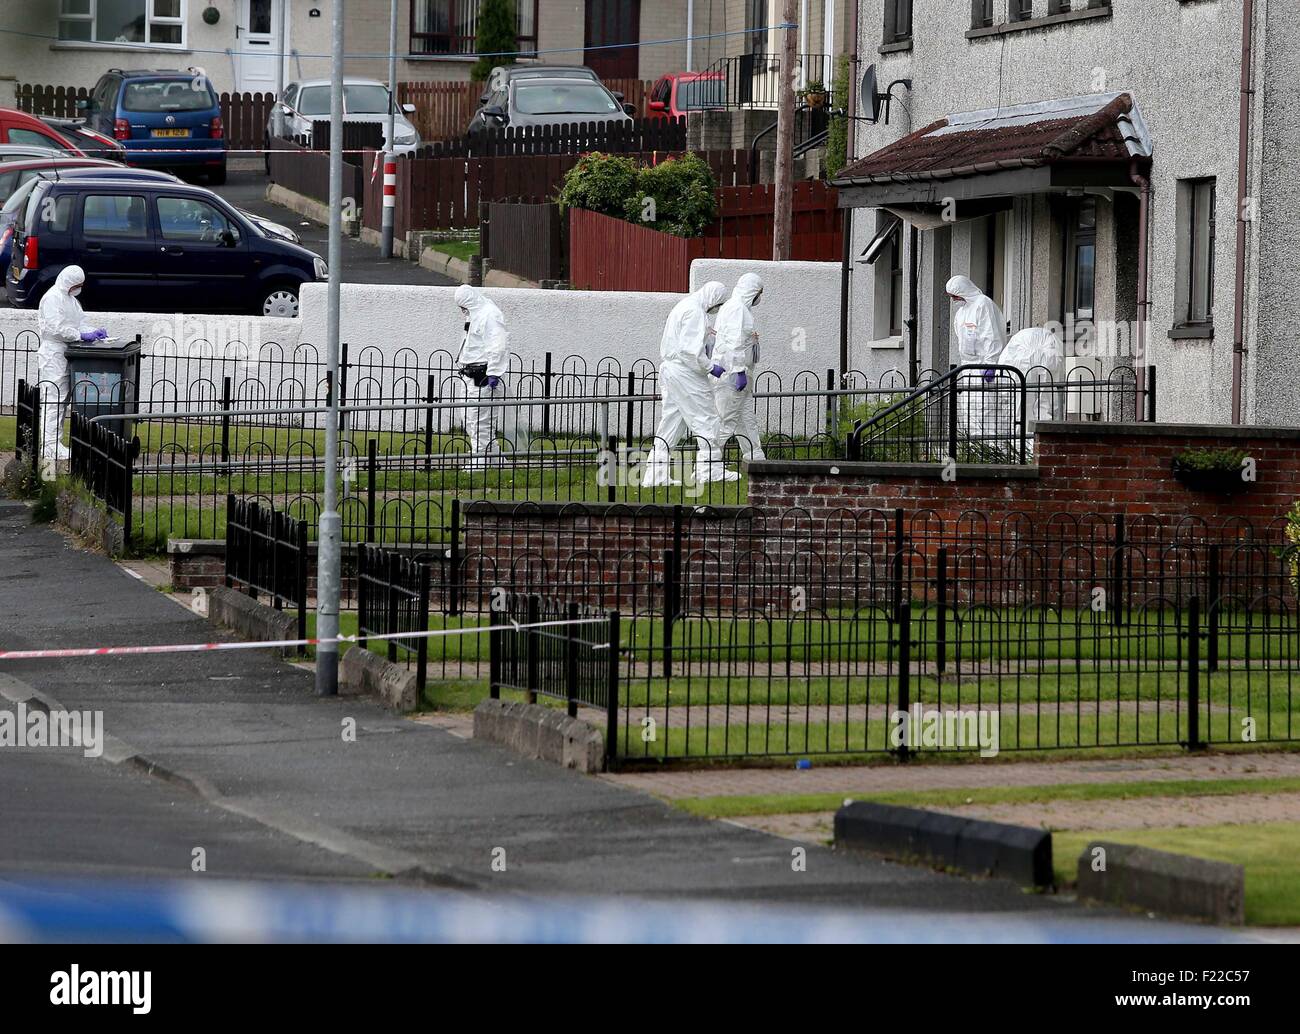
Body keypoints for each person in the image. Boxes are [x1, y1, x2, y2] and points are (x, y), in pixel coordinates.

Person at [642, 280, 738, 487]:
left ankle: (655, 474)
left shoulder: (684, 306)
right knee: (708, 418)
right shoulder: (695, 312)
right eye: (718, 304)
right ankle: (709, 470)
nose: (717, 308)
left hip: (672, 371)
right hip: (686, 374)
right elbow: (690, 351)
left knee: (671, 424)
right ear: (713, 298)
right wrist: (711, 367)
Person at [36, 265, 106, 465]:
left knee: (62, 400)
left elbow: (80, 323)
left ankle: (53, 443)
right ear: (69, 282)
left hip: (65, 353)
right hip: (53, 353)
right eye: (77, 285)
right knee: (53, 398)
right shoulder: (52, 298)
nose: (79, 288)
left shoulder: (71, 301)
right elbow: (55, 327)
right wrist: (80, 335)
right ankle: (48, 445)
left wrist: (93, 332)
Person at [946, 275, 1008, 445]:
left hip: (983, 366)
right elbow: (961, 338)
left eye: (955, 295)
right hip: (968, 367)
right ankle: (974, 448)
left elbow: (991, 335)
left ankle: (991, 448)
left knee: (985, 409)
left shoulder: (983, 304)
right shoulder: (962, 312)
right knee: (969, 409)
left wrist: (991, 364)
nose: (954, 300)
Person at [712, 273, 767, 463]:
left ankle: (756, 459)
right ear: (752, 291)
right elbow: (734, 344)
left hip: (737, 376)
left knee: (746, 421)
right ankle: (707, 462)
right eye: (759, 292)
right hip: (733, 377)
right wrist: (739, 372)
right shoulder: (737, 310)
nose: (759, 297)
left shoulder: (736, 308)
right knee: (726, 421)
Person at [453, 285, 510, 468]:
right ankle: (495, 461)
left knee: (480, 421)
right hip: (471, 374)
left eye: (463, 307)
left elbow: (498, 344)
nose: (463, 312)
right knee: (471, 420)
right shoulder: (475, 314)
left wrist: (493, 372)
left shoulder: (489, 314)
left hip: (483, 376)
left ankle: (479, 463)